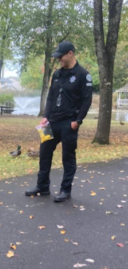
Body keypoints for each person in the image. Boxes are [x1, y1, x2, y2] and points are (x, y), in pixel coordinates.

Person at [25, 41, 93, 202]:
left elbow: (87, 100)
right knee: (44, 154)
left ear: (70, 53)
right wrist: (45, 116)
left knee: (67, 157)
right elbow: (50, 97)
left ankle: (65, 190)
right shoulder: (57, 74)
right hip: (51, 123)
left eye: (60, 56)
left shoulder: (83, 75)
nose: (59, 60)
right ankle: (42, 186)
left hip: (69, 123)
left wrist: (78, 121)